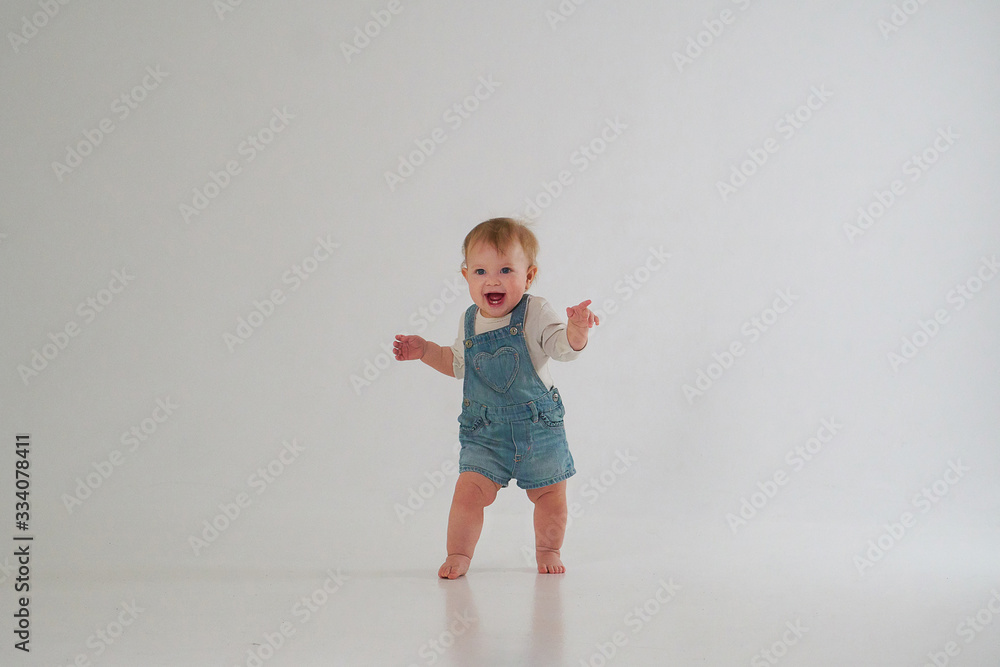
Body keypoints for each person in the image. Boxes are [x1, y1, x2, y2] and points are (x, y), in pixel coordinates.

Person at [393, 218, 599, 578]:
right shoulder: (469, 321)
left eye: (506, 270)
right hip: (485, 432)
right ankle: (459, 553)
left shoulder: (535, 312)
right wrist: (425, 350)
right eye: (481, 270)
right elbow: (458, 364)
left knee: (551, 497)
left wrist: (576, 331)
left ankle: (548, 548)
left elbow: (562, 348)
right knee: (468, 493)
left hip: (539, 428)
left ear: (529, 276)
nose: (493, 279)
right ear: (466, 277)